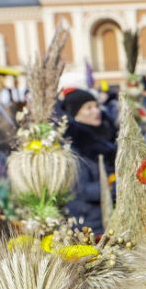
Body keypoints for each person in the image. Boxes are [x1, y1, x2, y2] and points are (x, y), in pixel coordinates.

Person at [62, 88, 117, 233]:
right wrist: (119, 186)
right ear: (75, 114)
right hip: (90, 224)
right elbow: (83, 189)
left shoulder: (106, 137)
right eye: (88, 108)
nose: (96, 111)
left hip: (110, 215)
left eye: (96, 106)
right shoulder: (75, 146)